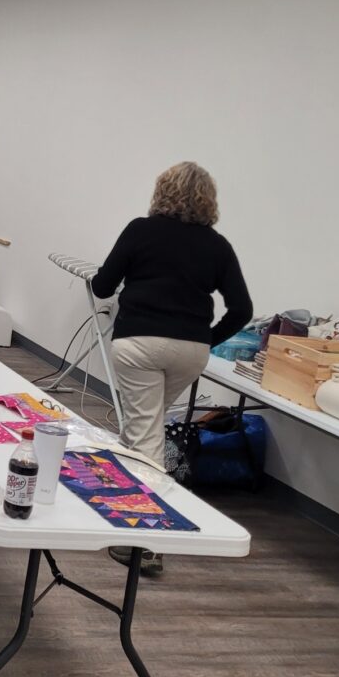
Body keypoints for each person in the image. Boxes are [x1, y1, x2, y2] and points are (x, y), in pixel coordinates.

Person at [91, 161, 252, 577]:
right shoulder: (217, 245)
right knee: (145, 427)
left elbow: (103, 286)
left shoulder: (140, 231)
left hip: (140, 343)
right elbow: (243, 310)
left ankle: (145, 541)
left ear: (162, 192)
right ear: (208, 201)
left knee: (145, 438)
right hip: (191, 350)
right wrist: (207, 340)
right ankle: (122, 510)